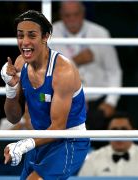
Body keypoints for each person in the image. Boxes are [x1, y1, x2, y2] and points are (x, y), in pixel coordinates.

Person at [0, 10, 90, 179]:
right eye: (20, 36)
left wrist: (23, 145)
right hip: (41, 138)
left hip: (69, 140)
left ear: (45, 37)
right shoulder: (20, 63)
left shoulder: (63, 71)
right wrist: (10, 88)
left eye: (31, 35)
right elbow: (13, 118)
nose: (25, 42)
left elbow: (58, 128)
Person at [51, 1, 122, 132]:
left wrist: (111, 102)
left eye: (76, 14)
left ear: (83, 13)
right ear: (60, 15)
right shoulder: (51, 35)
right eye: (67, 15)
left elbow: (114, 71)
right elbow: (46, 73)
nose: (72, 19)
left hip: (98, 102)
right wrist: (74, 61)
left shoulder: (100, 33)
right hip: (65, 102)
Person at [77, 111, 138, 176]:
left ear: (134, 132)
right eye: (114, 130)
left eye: (124, 129)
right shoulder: (94, 158)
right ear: (107, 132)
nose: (119, 134)